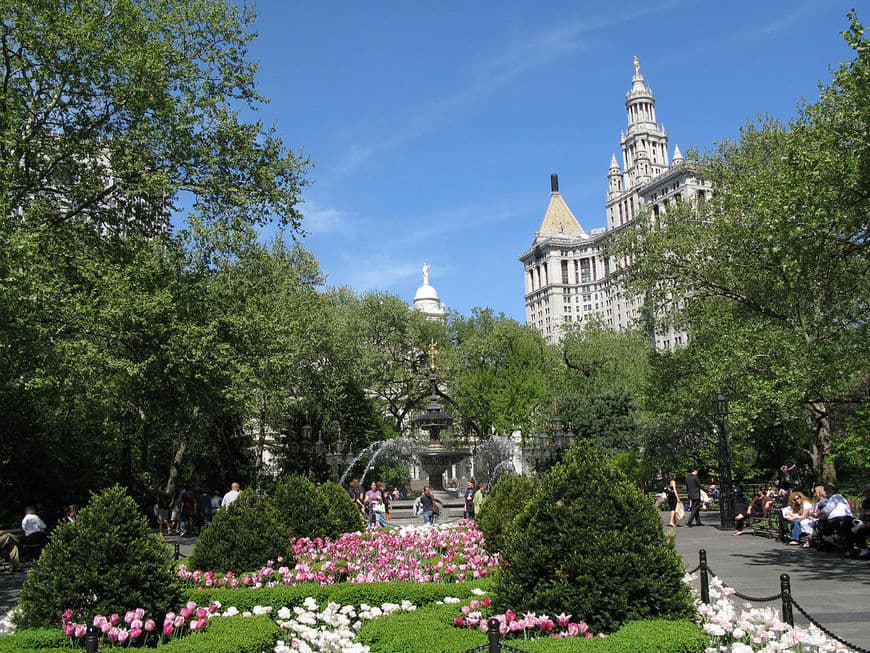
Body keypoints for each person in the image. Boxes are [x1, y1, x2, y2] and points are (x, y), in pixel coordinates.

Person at [0, 507, 48, 572]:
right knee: (8, 536)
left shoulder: (25, 519)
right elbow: (43, 526)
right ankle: (19, 542)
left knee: (13, 546)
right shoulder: (34, 517)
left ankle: (14, 567)